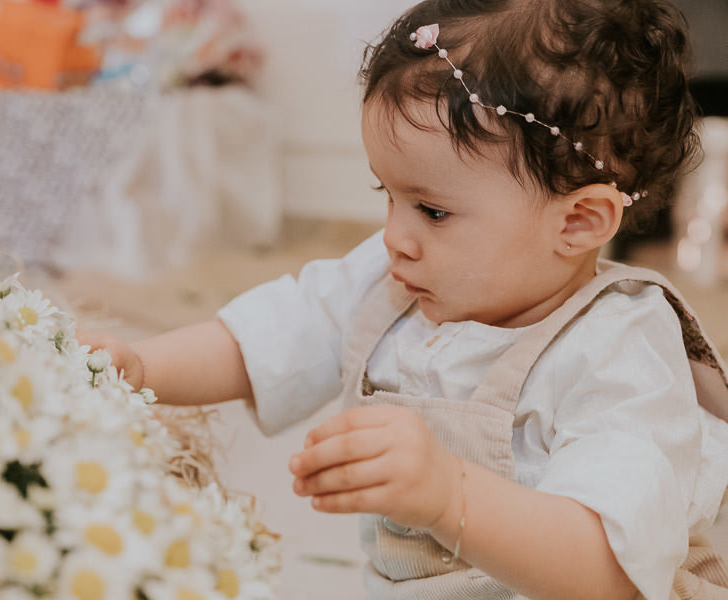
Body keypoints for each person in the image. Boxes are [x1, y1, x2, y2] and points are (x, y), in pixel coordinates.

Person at [80, 1, 728, 598]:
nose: (395, 236)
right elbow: (272, 333)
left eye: (433, 211)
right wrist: (142, 367)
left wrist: (450, 496)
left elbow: (608, 570)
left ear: (579, 222)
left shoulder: (621, 356)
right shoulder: (397, 277)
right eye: (387, 196)